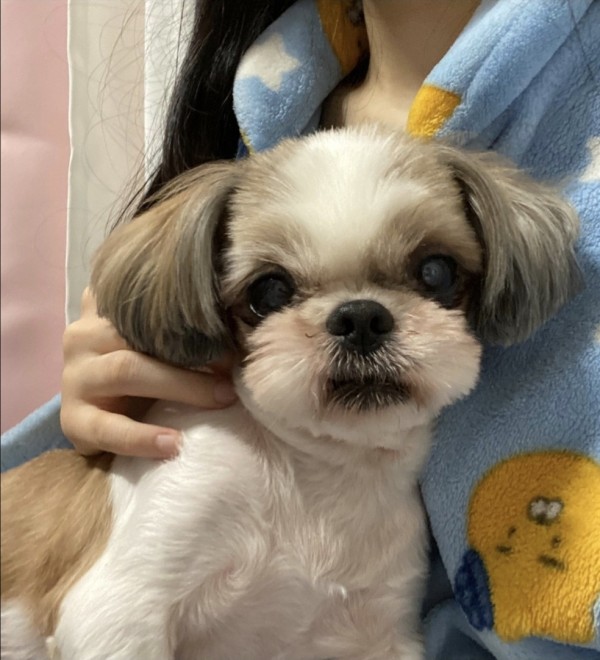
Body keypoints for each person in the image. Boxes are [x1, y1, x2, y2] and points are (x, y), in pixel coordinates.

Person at [2, 1, 599, 658]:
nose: (360, 325)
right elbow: (105, 617)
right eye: (272, 294)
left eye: (432, 276)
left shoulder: (394, 526)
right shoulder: (240, 124)